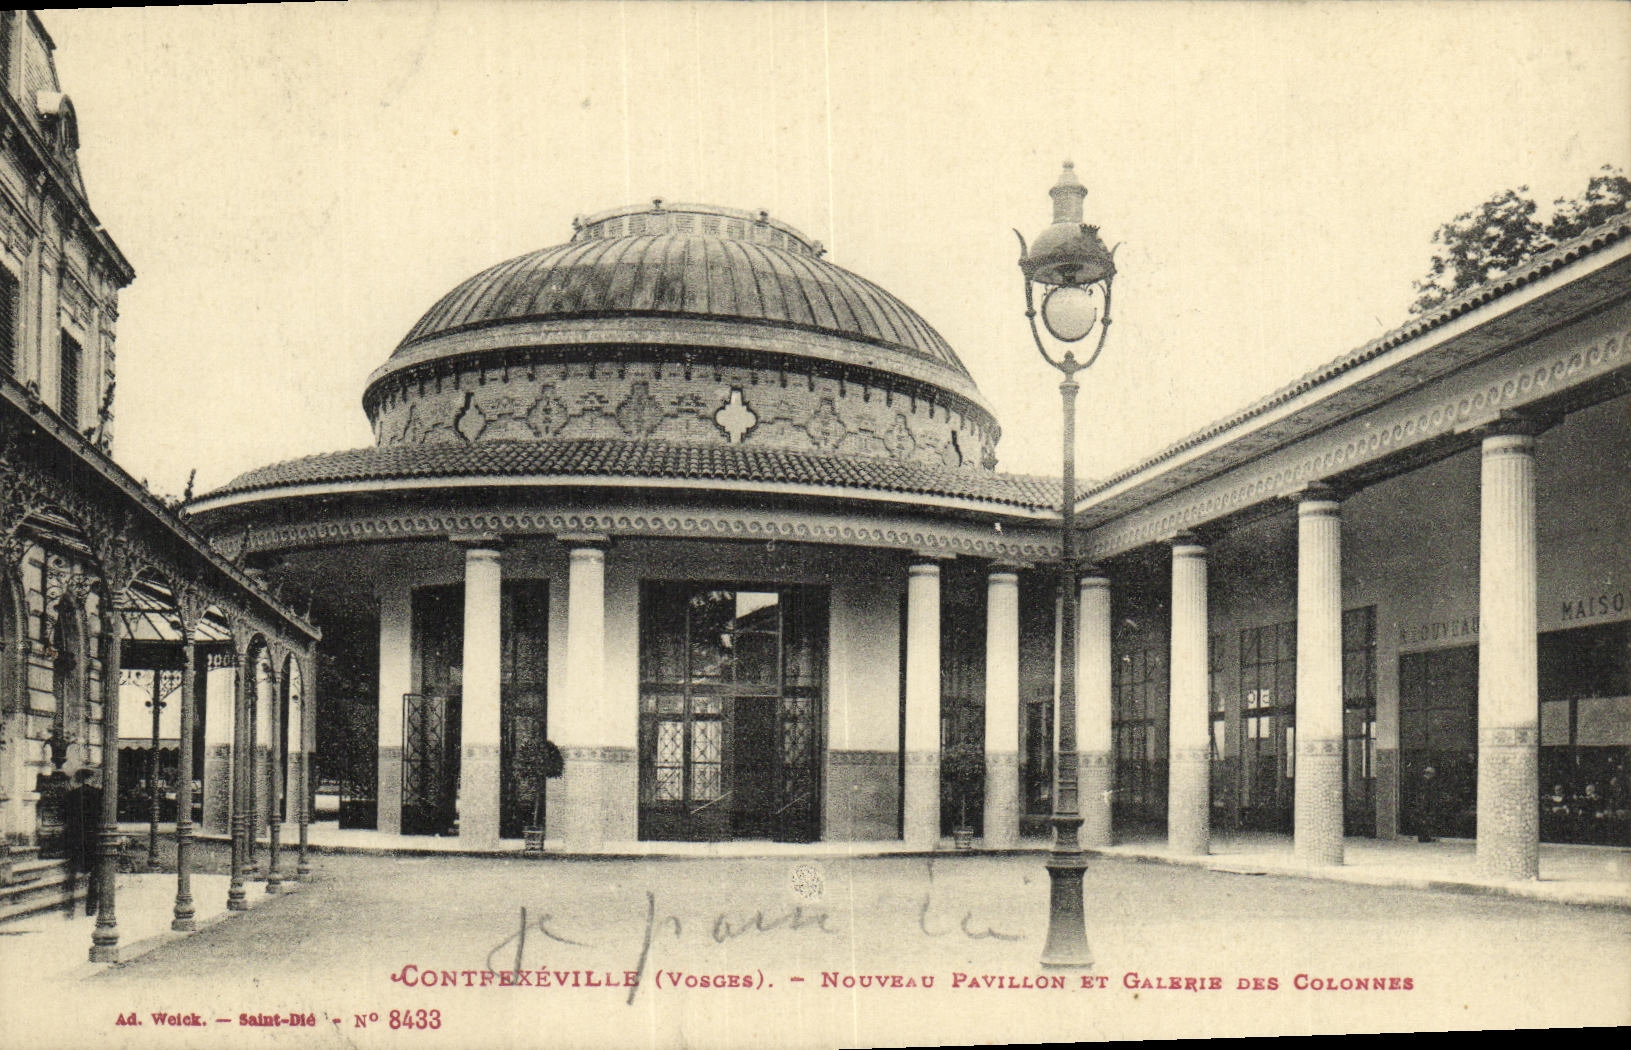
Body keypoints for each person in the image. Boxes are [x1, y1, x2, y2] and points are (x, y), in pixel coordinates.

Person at [63, 768, 103, 916]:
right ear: (90, 778)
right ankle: (91, 907)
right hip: (92, 836)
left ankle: (69, 906)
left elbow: (66, 815)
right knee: (95, 873)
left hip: (75, 836)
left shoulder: (71, 795)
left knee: (72, 870)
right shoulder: (99, 794)